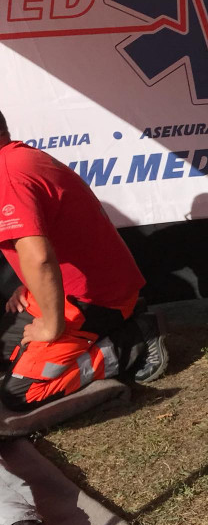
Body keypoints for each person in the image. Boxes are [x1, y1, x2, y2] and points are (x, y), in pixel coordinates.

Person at [0, 113, 168, 410]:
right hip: (77, 291)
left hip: (94, 299)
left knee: (21, 393)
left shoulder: (8, 174)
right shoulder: (16, 159)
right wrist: (28, 286)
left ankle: (134, 339)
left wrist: (51, 327)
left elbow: (38, 257)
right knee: (5, 352)